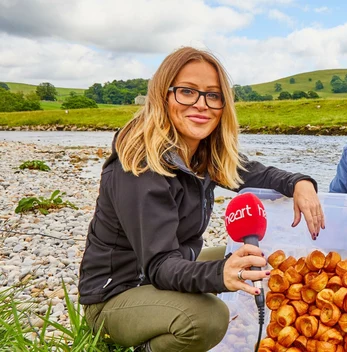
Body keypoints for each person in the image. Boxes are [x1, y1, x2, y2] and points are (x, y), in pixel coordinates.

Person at [78, 47, 325, 352]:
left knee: (257, 256)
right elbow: (160, 266)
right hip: (116, 296)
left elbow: (253, 174)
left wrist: (299, 182)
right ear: (163, 96)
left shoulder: (199, 154)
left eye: (213, 95)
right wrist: (221, 274)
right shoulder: (140, 167)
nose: (201, 105)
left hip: (162, 271)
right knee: (207, 319)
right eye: (187, 92)